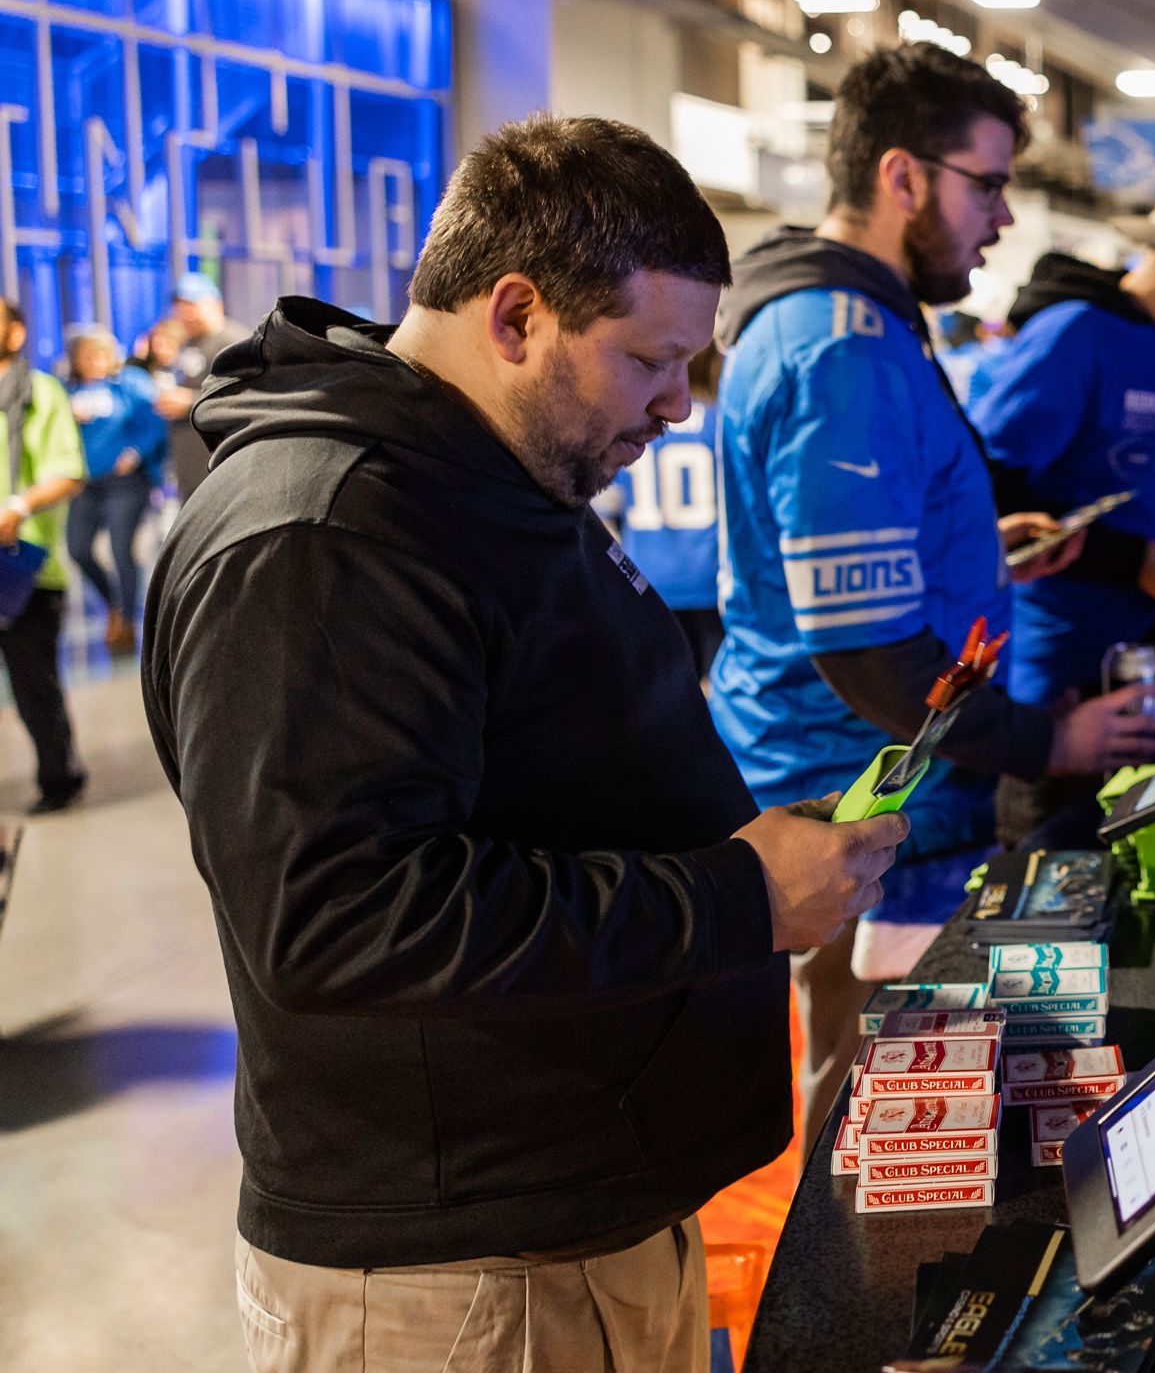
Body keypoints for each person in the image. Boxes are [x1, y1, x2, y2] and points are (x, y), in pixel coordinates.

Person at [141, 114, 910, 1373]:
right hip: (458, 1276)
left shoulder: (499, 477)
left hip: (580, 1213)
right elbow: (339, 917)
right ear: (514, 315)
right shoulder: (325, 540)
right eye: (649, 363)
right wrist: (732, 899)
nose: (675, 408)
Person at [710, 44, 1155, 1129]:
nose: (1003, 219)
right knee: (878, 1132)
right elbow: (867, 650)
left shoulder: (853, 327)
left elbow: (836, 558)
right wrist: (1052, 742)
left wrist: (976, 548)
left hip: (873, 796)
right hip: (858, 809)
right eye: (990, 182)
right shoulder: (842, 349)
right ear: (903, 176)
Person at [970, 177, 1155, 834]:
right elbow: (987, 482)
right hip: (1060, 698)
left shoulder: (1154, 344)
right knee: (1050, 881)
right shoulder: (1075, 333)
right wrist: (1135, 557)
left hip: (1125, 678)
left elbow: (1120, 477)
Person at [0, 302, 88, 813]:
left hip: (24, 567)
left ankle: (60, 779)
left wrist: (19, 505)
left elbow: (68, 472)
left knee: (35, 687)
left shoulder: (40, 393)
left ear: (17, 333)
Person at [609, 347, 725, 678]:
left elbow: (610, 504)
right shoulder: (719, 422)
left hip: (651, 579)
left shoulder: (642, 425)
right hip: (710, 578)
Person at [61, 324, 166, 654]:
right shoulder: (68, 391)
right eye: (86, 356)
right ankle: (113, 606)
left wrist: (135, 453)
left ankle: (128, 622)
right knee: (78, 548)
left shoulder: (131, 384)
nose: (93, 362)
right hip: (86, 483)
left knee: (121, 548)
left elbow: (155, 423)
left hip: (125, 482)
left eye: (99, 355)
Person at [156, 273, 252, 501]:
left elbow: (247, 396)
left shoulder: (234, 341)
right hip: (191, 470)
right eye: (180, 309)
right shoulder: (189, 343)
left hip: (221, 471)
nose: (184, 315)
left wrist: (189, 402)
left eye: (191, 306)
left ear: (215, 304)